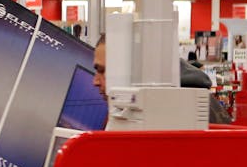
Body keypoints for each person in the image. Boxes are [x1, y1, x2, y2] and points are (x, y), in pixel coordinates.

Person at [92, 34, 230, 124]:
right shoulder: (132, 109)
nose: (95, 81)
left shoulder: (182, 111)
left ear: (132, 67)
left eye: (101, 70)